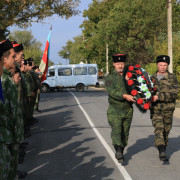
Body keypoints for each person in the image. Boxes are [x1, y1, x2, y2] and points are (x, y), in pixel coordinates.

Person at [105, 54, 135, 163]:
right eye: (118, 64)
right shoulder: (109, 77)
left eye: (122, 64)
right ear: (114, 64)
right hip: (114, 110)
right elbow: (111, 91)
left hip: (128, 110)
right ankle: (118, 150)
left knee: (125, 133)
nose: (120, 66)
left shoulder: (130, 75)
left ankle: (121, 150)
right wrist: (124, 96)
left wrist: (130, 81)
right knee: (117, 131)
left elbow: (136, 89)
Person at [1, 39, 24, 180]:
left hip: (10, 138)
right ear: (4, 59)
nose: (15, 59)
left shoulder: (7, 80)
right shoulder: (3, 82)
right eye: (12, 56)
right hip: (5, 139)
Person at [151, 55, 179, 161]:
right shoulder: (151, 77)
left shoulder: (172, 78)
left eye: (165, 65)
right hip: (155, 108)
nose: (162, 67)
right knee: (159, 128)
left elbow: (174, 93)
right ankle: (161, 150)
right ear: (157, 65)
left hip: (168, 109)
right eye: (160, 65)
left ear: (167, 65)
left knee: (166, 130)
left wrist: (159, 96)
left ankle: (163, 147)